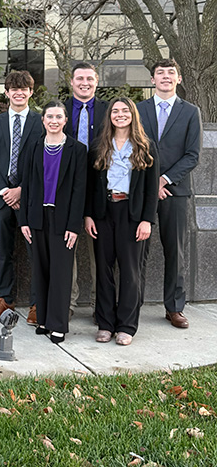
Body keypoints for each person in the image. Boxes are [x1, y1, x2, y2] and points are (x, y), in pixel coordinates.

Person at [84, 98, 159, 346]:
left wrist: (147, 220)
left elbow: (151, 189)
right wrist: (88, 215)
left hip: (132, 214)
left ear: (133, 114)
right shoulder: (98, 146)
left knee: (130, 271)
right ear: (109, 116)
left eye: (125, 110)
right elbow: (91, 186)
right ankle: (105, 323)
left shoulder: (146, 146)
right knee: (103, 270)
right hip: (103, 212)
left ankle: (126, 326)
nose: (120, 114)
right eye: (115, 111)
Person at [135, 59, 201, 329]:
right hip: (142, 191)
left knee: (175, 250)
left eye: (170, 72)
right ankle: (132, 305)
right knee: (137, 251)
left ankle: (174, 308)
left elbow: (192, 155)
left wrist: (163, 180)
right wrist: (152, 183)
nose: (165, 76)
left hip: (176, 192)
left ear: (179, 78)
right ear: (152, 80)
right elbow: (134, 148)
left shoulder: (191, 112)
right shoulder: (139, 110)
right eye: (160, 73)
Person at [18, 101, 87, 344]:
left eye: (59, 117)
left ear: (65, 121)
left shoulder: (77, 150)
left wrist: (73, 226)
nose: (54, 121)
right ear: (43, 120)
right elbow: (26, 185)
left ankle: (58, 324)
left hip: (63, 219)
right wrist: (24, 220)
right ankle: (44, 319)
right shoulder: (34, 147)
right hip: (37, 217)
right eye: (50, 116)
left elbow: (80, 190)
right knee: (41, 270)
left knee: (61, 272)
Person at [0, 70, 42, 322]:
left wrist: (22, 190)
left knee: (36, 252)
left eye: (23, 89)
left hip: (30, 197)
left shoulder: (40, 122)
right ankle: (4, 300)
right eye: (14, 89)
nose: (19, 93)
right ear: (6, 93)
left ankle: (37, 304)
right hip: (1, 198)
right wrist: (5, 191)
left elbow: (43, 163)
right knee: (3, 251)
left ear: (31, 92)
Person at [63, 62, 107, 317]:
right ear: (71, 82)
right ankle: (68, 303)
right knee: (66, 248)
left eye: (89, 78)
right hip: (66, 189)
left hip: (100, 188)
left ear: (96, 81)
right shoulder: (59, 110)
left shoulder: (109, 111)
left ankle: (98, 304)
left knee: (99, 251)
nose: (85, 83)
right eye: (79, 78)